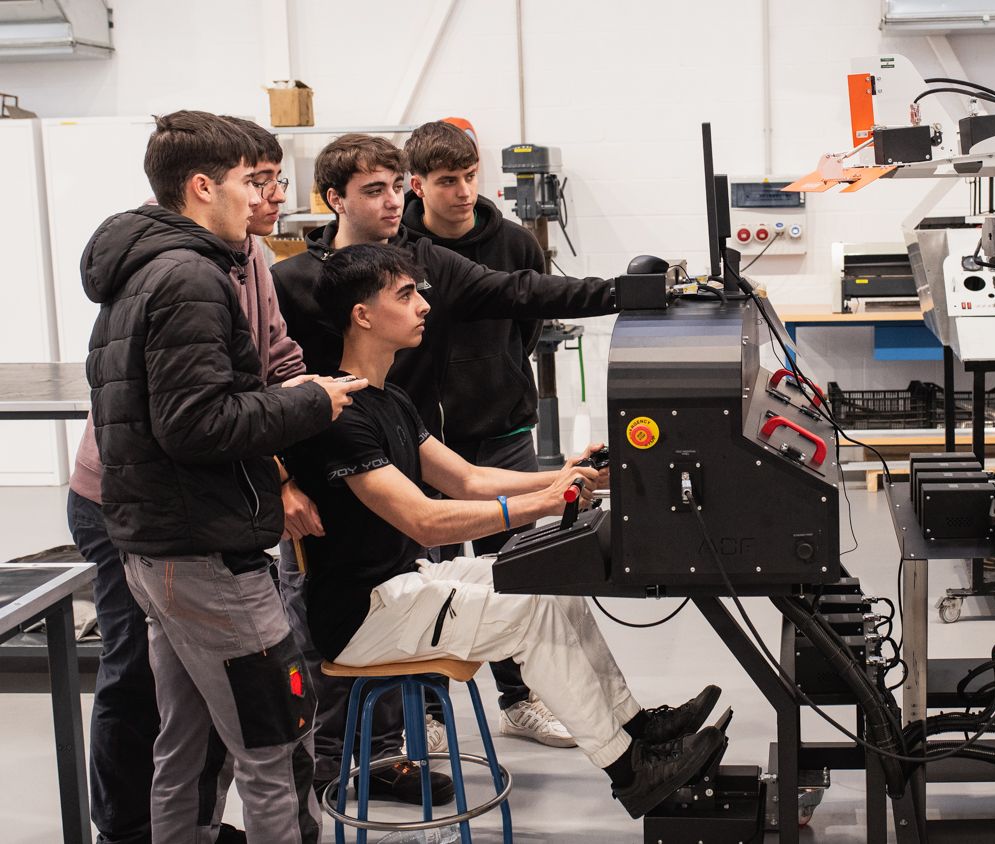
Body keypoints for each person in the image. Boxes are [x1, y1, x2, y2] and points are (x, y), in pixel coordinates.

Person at [283, 242, 727, 818]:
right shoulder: (338, 417)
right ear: (362, 316)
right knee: (529, 614)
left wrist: (563, 474)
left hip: (404, 582)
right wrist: (543, 503)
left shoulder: (390, 398)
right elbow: (422, 517)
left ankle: (638, 727)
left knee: (543, 579)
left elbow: (465, 478)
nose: (423, 305)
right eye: (406, 294)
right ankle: (629, 771)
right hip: (360, 612)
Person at [272, 133, 621, 781]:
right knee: (329, 637)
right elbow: (261, 389)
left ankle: (406, 742)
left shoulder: (422, 261)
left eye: (396, 186)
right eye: (373, 190)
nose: (392, 201)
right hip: (323, 478)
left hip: (400, 450)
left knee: (424, 593)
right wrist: (283, 482)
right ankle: (339, 769)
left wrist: (630, 292)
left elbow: (524, 292)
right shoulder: (289, 283)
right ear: (333, 199)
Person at [82, 110, 366, 844]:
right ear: (203, 186)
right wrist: (312, 400)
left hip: (163, 548)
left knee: (185, 746)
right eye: (253, 180)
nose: (264, 196)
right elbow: (197, 424)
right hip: (206, 553)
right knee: (279, 750)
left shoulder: (150, 266)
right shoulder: (189, 278)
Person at [402, 119, 563, 747]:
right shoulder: (398, 250)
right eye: (448, 181)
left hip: (504, 433)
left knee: (514, 573)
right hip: (424, 441)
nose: (464, 191)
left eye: (471, 176)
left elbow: (527, 330)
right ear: (417, 185)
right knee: (431, 581)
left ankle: (519, 698)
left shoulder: (517, 245)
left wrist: (495, 381)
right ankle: (433, 710)